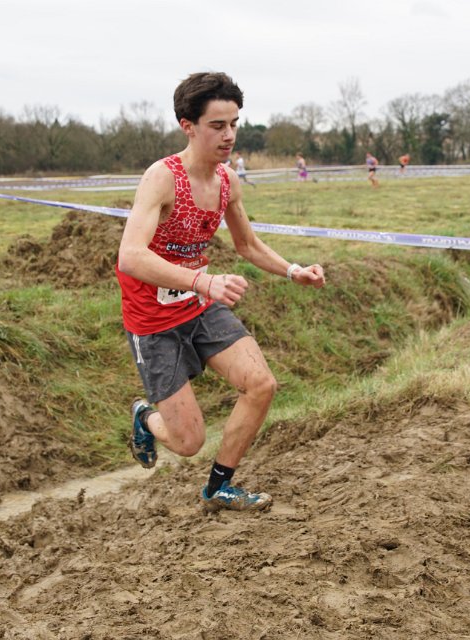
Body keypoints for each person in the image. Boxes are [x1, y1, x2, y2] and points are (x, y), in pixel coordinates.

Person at [117, 72, 325, 513]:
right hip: (154, 322)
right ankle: (145, 418)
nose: (229, 135)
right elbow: (130, 256)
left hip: (199, 305)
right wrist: (201, 281)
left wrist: (293, 271)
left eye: (234, 124)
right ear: (187, 126)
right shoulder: (162, 178)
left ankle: (219, 487)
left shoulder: (227, 180)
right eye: (217, 125)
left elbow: (247, 244)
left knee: (261, 384)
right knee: (187, 442)